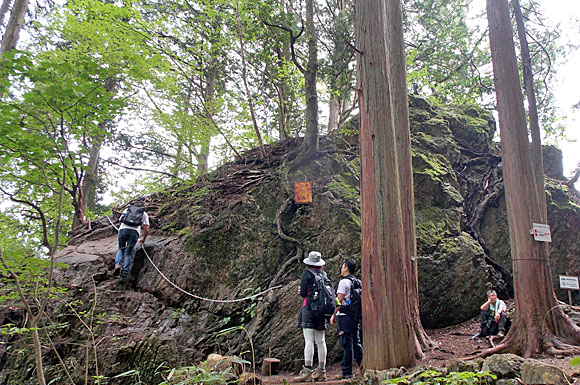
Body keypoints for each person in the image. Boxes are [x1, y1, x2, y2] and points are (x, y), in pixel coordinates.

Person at [294, 251, 329, 382]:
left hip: (309, 309)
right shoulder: (324, 275)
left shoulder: (306, 274)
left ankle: (307, 370)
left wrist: (301, 290)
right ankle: (321, 370)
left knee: (309, 340)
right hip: (322, 311)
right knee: (321, 340)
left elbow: (303, 293)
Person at [330, 258, 363, 379]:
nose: (341, 268)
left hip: (344, 316)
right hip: (354, 316)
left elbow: (339, 299)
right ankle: (363, 366)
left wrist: (333, 314)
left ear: (346, 268)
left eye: (343, 266)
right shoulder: (357, 282)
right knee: (356, 342)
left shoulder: (344, 282)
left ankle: (347, 372)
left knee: (346, 343)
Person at [114, 202, 149, 282]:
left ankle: (118, 264)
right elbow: (146, 229)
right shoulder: (143, 213)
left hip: (123, 230)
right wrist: (143, 239)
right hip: (134, 232)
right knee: (128, 253)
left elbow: (120, 220)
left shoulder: (127, 209)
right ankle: (124, 274)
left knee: (120, 248)